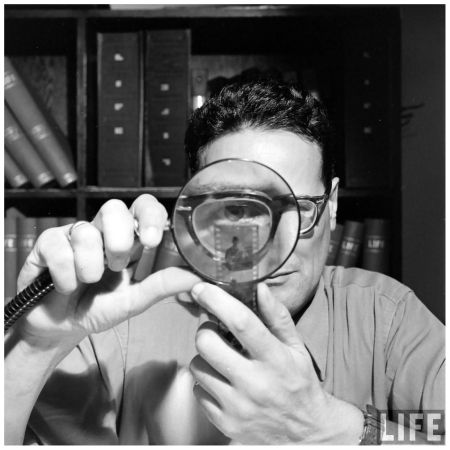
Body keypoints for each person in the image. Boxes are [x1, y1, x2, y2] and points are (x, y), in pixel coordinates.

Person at [5, 80, 445, 445]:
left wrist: (330, 428)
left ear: (331, 206)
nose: (276, 250)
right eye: (236, 208)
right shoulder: (116, 330)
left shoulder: (387, 318)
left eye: (301, 209)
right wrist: (33, 349)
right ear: (196, 214)